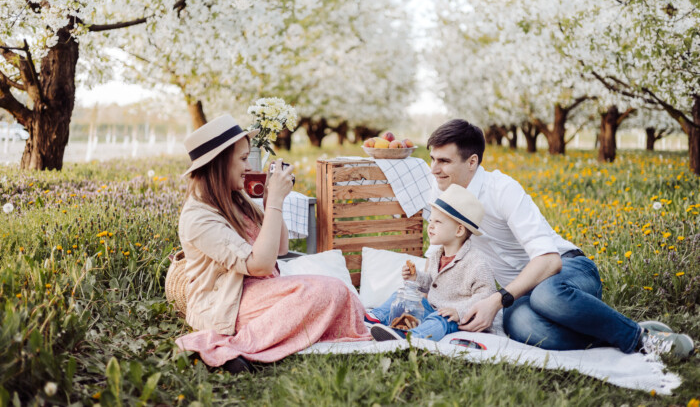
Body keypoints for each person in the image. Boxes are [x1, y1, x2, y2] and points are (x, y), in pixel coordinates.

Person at [424, 119, 694, 358]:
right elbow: (439, 255)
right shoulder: (442, 197)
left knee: (547, 295)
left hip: (568, 270)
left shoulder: (502, 189)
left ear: (472, 162)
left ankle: (642, 340)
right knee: (523, 327)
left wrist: (496, 300)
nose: (434, 169)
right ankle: (616, 331)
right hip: (519, 293)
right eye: (432, 159)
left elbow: (549, 261)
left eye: (444, 161)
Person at [174, 115, 370, 373]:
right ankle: (234, 347)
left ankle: (267, 336)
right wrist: (276, 200)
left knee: (337, 289)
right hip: (227, 304)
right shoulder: (198, 217)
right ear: (220, 162)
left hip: (256, 290)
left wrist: (269, 203)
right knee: (329, 291)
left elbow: (280, 248)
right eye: (243, 159)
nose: (248, 166)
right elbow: (262, 264)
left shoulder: (233, 196)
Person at [369, 184, 499, 342]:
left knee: (439, 319)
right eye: (431, 220)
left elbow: (487, 295)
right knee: (401, 296)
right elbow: (431, 283)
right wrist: (416, 277)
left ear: (459, 230)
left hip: (459, 319)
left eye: (438, 222)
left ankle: (410, 337)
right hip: (433, 308)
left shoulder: (477, 262)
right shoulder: (438, 255)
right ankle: (373, 318)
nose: (430, 226)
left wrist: (459, 311)